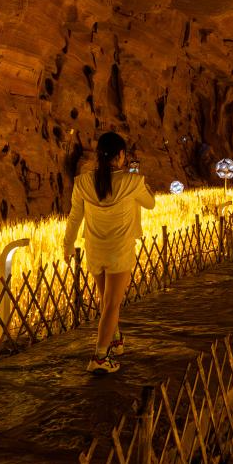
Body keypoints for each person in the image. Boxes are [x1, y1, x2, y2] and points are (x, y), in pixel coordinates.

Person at [63, 132, 155, 374]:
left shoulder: (83, 182)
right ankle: (100, 356)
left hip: (95, 249)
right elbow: (150, 203)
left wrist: (67, 244)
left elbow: (74, 216)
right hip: (119, 250)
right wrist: (139, 180)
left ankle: (114, 339)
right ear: (121, 155)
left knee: (106, 302)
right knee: (112, 304)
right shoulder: (132, 181)